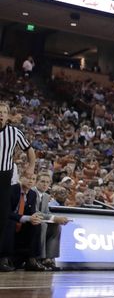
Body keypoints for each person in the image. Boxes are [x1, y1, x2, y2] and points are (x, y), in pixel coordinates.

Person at [0, 101, 35, 272]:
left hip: (4, 176)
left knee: (3, 217)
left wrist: (31, 166)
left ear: (8, 116)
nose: (1, 114)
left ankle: (2, 258)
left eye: (4, 112)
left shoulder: (14, 132)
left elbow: (29, 150)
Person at [3, 169, 43, 271]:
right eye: (28, 178)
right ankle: (4, 259)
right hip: (7, 219)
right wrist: (25, 218)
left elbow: (31, 212)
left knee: (37, 224)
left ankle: (31, 260)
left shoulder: (33, 194)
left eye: (33, 179)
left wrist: (34, 217)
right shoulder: (11, 190)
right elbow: (6, 212)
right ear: (21, 178)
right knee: (10, 223)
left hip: (22, 221)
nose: (30, 181)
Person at [34, 172, 71, 270]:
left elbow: (46, 212)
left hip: (40, 220)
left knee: (56, 226)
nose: (45, 184)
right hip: (30, 221)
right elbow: (35, 212)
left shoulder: (46, 196)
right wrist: (54, 218)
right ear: (36, 182)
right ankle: (38, 258)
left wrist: (57, 219)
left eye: (47, 182)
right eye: (42, 181)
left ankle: (49, 259)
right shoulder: (32, 192)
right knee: (43, 225)